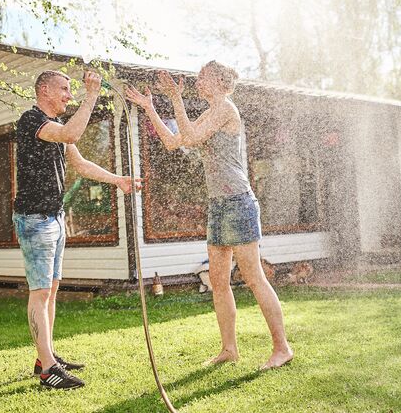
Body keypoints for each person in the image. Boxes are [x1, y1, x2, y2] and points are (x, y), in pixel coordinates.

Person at [125, 61, 294, 370]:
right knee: (218, 281)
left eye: (202, 77)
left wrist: (175, 98)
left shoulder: (225, 109)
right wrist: (149, 107)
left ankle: (282, 348)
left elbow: (189, 139)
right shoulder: (207, 113)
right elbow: (174, 141)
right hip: (218, 205)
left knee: (254, 277)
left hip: (239, 202)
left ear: (219, 80)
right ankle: (229, 349)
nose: (197, 82)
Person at [13, 69, 142, 389]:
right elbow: (71, 133)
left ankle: (46, 356)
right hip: (35, 219)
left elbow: (81, 164)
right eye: (64, 90)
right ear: (43, 90)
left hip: (55, 218)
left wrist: (118, 181)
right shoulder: (31, 121)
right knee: (40, 292)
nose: (69, 96)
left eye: (71, 91)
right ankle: (48, 372)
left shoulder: (55, 129)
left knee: (52, 290)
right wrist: (93, 95)